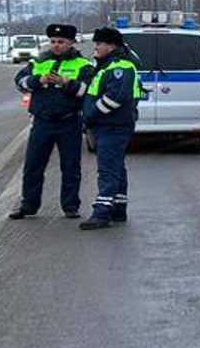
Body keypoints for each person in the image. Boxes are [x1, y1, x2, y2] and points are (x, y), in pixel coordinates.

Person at [9, 23, 95, 220]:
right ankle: (28, 205)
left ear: (71, 43)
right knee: (33, 166)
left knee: (70, 167)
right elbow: (20, 82)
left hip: (68, 122)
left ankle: (70, 206)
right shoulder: (39, 62)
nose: (56, 45)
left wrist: (67, 84)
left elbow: (88, 91)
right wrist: (37, 80)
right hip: (42, 122)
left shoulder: (83, 65)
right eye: (53, 41)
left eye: (61, 42)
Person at [79, 25, 142, 231]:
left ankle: (102, 212)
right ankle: (118, 207)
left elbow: (116, 97)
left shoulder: (119, 67)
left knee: (107, 170)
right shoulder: (108, 65)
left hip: (112, 126)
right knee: (116, 168)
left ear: (112, 45)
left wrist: (92, 114)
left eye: (99, 43)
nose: (95, 47)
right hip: (111, 125)